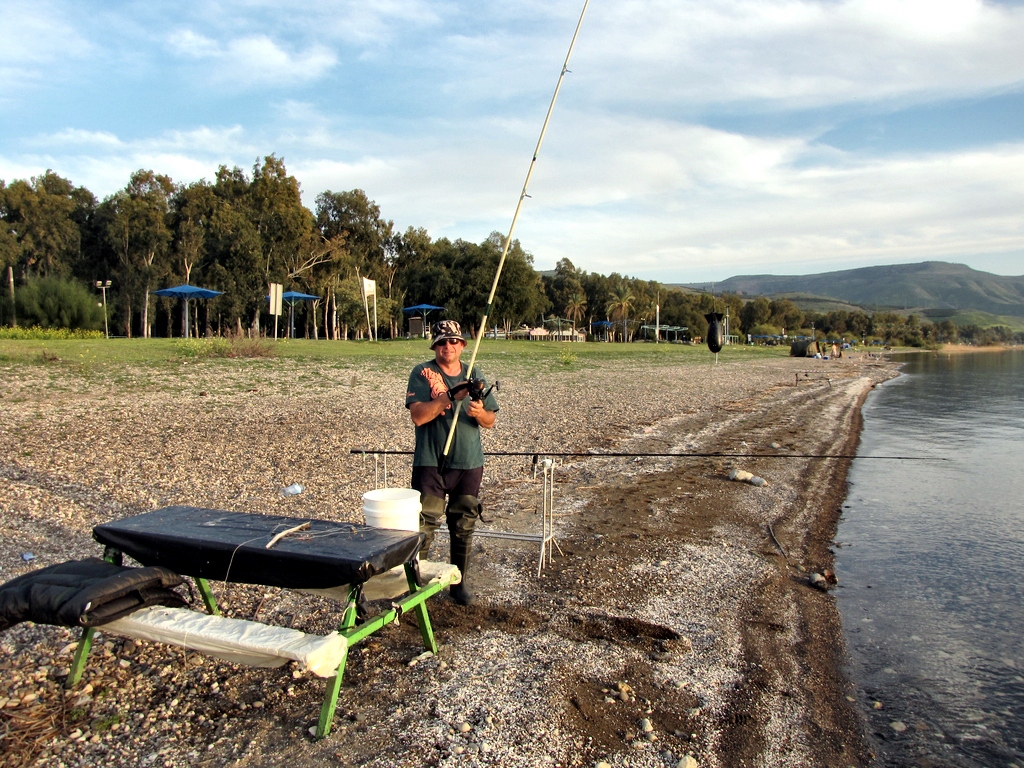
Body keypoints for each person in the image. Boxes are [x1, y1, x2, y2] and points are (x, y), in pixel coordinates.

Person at [405, 320, 499, 605]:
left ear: (463, 345)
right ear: (435, 345)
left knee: (463, 524)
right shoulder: (422, 373)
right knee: (425, 524)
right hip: (431, 461)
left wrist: (479, 411)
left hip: (469, 461)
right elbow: (419, 416)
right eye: (443, 342)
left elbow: (490, 422)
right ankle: (416, 588)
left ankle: (458, 584)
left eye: (454, 341)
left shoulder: (475, 374)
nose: (448, 346)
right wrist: (448, 397)